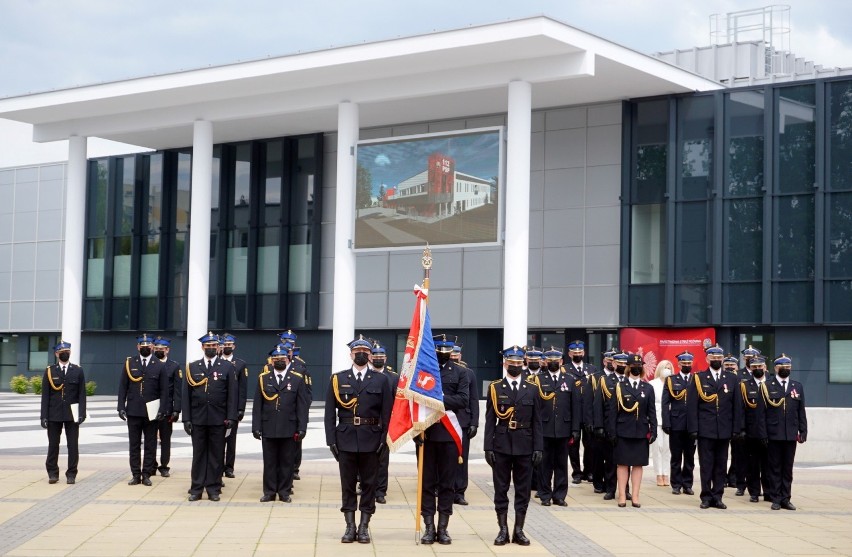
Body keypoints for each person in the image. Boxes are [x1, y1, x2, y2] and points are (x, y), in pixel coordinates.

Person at [324, 336, 393, 543]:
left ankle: (364, 526)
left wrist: (384, 440)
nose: (361, 354)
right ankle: (349, 526)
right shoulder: (338, 379)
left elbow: (387, 414)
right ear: (351, 355)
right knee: (347, 484)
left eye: (365, 351)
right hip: (345, 438)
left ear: (371, 355)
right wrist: (331, 441)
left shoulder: (382, 380)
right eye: (357, 351)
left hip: (371, 439)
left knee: (369, 484)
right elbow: (329, 413)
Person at [484, 346, 542, 546]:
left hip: (525, 445)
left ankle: (519, 529)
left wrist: (538, 448)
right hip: (501, 444)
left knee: (523, 489)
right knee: (501, 489)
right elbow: (490, 420)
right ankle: (502, 529)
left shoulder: (532, 389)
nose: (515, 366)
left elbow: (537, 421)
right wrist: (487, 448)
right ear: (504, 364)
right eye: (512, 363)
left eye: (519, 363)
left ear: (523, 364)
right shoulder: (495, 388)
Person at [419, 334, 470, 545]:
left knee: (448, 484)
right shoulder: (423, 372)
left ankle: (443, 528)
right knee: (427, 483)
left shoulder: (460, 372)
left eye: (447, 350)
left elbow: (463, 400)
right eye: (440, 349)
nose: (443, 353)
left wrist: (438, 399)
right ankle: (429, 527)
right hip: (427, 433)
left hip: (449, 435)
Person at [687, 344, 745, 510]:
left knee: (721, 465)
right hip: (705, 429)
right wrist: (693, 429)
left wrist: (736, 428)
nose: (716, 360)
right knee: (706, 465)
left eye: (719, 358)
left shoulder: (732, 378)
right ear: (707, 359)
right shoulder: (699, 378)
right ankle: (706, 496)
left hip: (724, 429)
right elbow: (692, 406)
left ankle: (718, 496)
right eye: (713, 358)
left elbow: (737, 406)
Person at [183, 332, 239, 502]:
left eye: (214, 346)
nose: (211, 348)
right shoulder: (192, 367)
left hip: (218, 418)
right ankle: (196, 488)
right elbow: (186, 396)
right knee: (199, 455)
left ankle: (213, 489)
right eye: (208, 346)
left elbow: (232, 395)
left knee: (216, 455)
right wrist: (186, 419)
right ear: (202, 347)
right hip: (198, 418)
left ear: (218, 347)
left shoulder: (227, 367)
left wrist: (231, 417)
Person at [252, 345, 310, 502]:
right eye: (276, 359)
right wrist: (256, 426)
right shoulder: (263, 378)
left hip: (289, 427)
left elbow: (302, 406)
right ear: (271, 361)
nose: (279, 362)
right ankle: (269, 491)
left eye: (282, 359)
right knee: (269, 461)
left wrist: (302, 427)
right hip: (269, 426)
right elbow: (258, 405)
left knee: (287, 461)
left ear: (288, 359)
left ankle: (284, 491)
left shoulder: (297, 379)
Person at [117, 333, 168, 486]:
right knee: (134, 444)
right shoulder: (129, 363)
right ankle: (135, 474)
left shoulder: (159, 365)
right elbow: (123, 387)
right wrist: (121, 407)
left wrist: (162, 410)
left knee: (150, 444)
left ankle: (146, 474)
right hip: (133, 410)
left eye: (148, 346)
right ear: (138, 347)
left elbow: (164, 390)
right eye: (142, 346)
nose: (145, 348)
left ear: (152, 347)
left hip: (151, 413)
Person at [607, 353, 656, 508]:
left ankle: (635, 496)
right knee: (622, 464)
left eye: (639, 366)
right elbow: (612, 411)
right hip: (623, 430)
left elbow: (652, 411)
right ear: (628, 368)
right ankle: (622, 495)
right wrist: (612, 432)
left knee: (638, 464)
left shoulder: (647, 388)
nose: (636, 368)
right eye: (633, 366)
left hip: (640, 431)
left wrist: (653, 429)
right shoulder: (620, 387)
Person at [534, 347, 581, 507]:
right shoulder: (539, 380)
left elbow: (575, 406)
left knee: (561, 464)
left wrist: (575, 429)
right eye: (550, 361)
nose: (553, 363)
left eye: (556, 361)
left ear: (561, 362)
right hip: (545, 428)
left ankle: (559, 495)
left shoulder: (569, 379)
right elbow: (536, 407)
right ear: (546, 362)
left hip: (564, 428)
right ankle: (545, 495)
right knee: (544, 464)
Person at [763, 354, 807, 511]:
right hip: (774, 433)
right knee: (774, 467)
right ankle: (775, 498)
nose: (785, 370)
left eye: (788, 367)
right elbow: (763, 412)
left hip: (790, 434)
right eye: (782, 367)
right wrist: (764, 434)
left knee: (787, 468)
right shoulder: (768, 385)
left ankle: (786, 498)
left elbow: (801, 411)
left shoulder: (797, 386)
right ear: (775, 368)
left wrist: (803, 430)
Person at [40, 340, 86, 484]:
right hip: (54, 414)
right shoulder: (50, 371)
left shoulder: (78, 370)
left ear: (70, 352)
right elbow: (45, 395)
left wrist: (82, 413)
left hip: (72, 415)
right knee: (53, 445)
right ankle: (53, 473)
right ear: (56, 354)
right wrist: (43, 416)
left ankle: (71, 473)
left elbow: (82, 394)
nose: (64, 354)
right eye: (61, 352)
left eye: (66, 352)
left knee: (73, 445)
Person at [662, 351, 696, 496]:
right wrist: (666, 422)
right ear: (679, 364)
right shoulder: (671, 380)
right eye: (684, 363)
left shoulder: (696, 379)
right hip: (676, 423)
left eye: (689, 363)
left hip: (692, 424)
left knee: (690, 456)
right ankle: (676, 484)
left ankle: (687, 484)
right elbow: (665, 403)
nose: (687, 366)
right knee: (676, 456)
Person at [564, 340, 597, 484]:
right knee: (573, 444)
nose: (577, 355)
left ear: (584, 353)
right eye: (574, 353)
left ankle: (589, 471)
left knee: (590, 444)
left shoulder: (592, 369)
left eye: (579, 352)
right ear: (570, 354)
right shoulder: (564, 369)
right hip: (573, 413)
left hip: (588, 413)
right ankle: (576, 472)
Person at [452, 339, 479, 506]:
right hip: (446, 421)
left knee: (462, 458)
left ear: (460, 355)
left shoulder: (468, 373)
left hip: (463, 422)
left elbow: (474, 399)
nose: (453, 357)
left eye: (456, 354)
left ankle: (460, 491)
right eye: (451, 354)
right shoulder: (438, 372)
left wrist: (474, 422)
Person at [593, 349, 623, 500]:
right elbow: (598, 405)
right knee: (610, 461)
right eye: (619, 363)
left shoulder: (629, 380)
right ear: (613, 363)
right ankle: (610, 489)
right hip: (609, 426)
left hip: (626, 427)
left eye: (625, 363)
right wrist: (598, 426)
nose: (622, 365)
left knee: (625, 461)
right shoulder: (605, 380)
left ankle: (625, 490)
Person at [370, 341, 397, 505]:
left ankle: (380, 491)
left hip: (385, 423)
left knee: (382, 459)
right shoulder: (366, 374)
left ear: (386, 358)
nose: (378, 359)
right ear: (370, 357)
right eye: (375, 356)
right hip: (368, 423)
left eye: (381, 356)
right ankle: (366, 487)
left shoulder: (393, 378)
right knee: (366, 458)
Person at [740, 355, 769, 503]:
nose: (758, 369)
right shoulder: (745, 386)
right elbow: (741, 410)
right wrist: (742, 429)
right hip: (751, 432)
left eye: (760, 366)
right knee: (752, 465)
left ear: (765, 367)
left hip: (769, 432)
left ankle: (769, 491)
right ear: (750, 368)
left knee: (769, 464)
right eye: (754, 367)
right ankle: (754, 492)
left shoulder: (772, 384)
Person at [219, 333, 248, 480]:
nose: (227, 347)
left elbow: (242, 389)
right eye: (224, 345)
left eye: (229, 345)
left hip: (233, 408)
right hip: (218, 408)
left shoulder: (240, 364)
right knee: (218, 440)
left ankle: (229, 467)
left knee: (230, 440)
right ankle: (217, 467)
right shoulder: (216, 362)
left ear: (234, 347)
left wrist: (240, 408)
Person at [153, 336, 181, 478]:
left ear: (167, 350)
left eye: (161, 349)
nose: (159, 351)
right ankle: (151, 464)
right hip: (151, 407)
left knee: (165, 439)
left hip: (167, 409)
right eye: (156, 349)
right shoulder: (150, 364)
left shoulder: (174, 366)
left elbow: (177, 390)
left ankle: (164, 466)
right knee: (150, 438)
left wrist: (177, 410)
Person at [650, 360, 673, 487]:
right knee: (657, 448)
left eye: (669, 368)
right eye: (665, 367)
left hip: (670, 420)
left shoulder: (673, 382)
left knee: (667, 449)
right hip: (657, 419)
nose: (667, 370)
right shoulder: (653, 384)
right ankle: (659, 474)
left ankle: (666, 474)